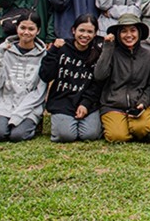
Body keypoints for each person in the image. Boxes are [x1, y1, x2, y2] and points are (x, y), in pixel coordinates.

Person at [39, 14, 104, 142]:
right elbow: (45, 75)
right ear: (73, 30)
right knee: (66, 135)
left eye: (90, 32)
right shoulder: (62, 48)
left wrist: (85, 104)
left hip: (87, 100)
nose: (85, 35)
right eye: (81, 30)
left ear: (95, 33)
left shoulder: (97, 52)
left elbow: (97, 83)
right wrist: (52, 51)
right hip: (63, 99)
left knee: (89, 135)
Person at [0, 11, 47, 142]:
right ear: (17, 28)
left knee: (17, 136)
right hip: (6, 102)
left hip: (29, 106)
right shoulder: (5, 51)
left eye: (31, 29)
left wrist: (19, 115)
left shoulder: (44, 56)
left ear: (38, 31)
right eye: (22, 28)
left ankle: (35, 122)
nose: (26, 32)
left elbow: (39, 91)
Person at [93, 13, 150, 142]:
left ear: (139, 33)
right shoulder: (112, 52)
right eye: (124, 31)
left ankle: (131, 126)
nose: (129, 35)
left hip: (138, 106)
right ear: (118, 34)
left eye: (133, 30)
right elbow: (99, 75)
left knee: (142, 130)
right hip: (113, 105)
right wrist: (108, 47)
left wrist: (143, 102)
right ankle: (122, 126)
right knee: (117, 136)